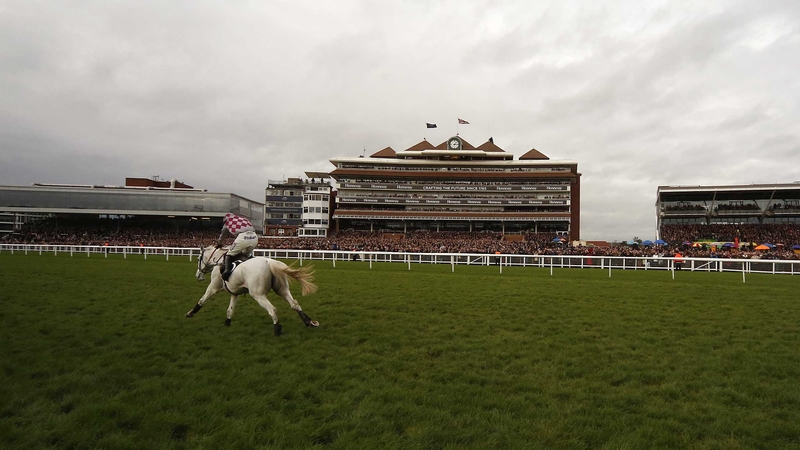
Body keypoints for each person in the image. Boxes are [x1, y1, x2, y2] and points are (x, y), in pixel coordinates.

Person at [217, 213, 258, 281]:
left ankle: (227, 272)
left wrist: (219, 244)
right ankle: (255, 267)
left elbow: (222, 235)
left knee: (229, 254)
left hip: (243, 237)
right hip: (254, 237)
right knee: (246, 255)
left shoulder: (227, 222)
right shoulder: (243, 218)